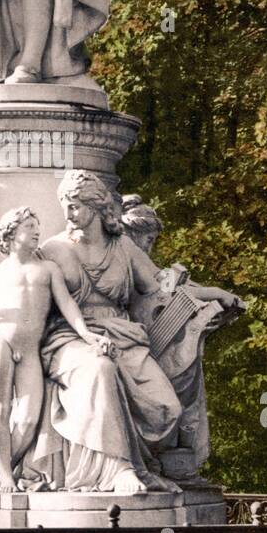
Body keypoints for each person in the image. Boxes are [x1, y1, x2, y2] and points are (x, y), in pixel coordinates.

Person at [30, 172, 187, 494]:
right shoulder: (55, 249)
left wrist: (198, 292)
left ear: (97, 206)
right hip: (70, 338)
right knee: (99, 370)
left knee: (166, 407)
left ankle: (142, 466)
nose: (67, 214)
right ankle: (116, 469)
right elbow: (23, 289)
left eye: (75, 206)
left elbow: (158, 286)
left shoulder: (122, 246)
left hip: (122, 337)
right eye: (65, 206)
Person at [0, 206, 112, 493]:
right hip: (2, 341)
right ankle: (7, 476)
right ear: (11, 233)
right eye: (29, 226)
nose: (37, 231)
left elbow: (68, 306)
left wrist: (87, 335)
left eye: (37, 226)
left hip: (30, 350)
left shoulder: (48, 269)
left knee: (27, 418)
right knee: (0, 409)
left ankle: (0, 469)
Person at [120, 195, 245, 487]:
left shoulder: (136, 258)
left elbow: (172, 287)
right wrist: (215, 292)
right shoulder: (124, 252)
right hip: (135, 344)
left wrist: (214, 302)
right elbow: (165, 290)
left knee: (186, 390)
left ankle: (179, 465)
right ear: (133, 233)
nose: (150, 247)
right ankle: (169, 464)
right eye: (148, 239)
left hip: (154, 341)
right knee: (174, 396)